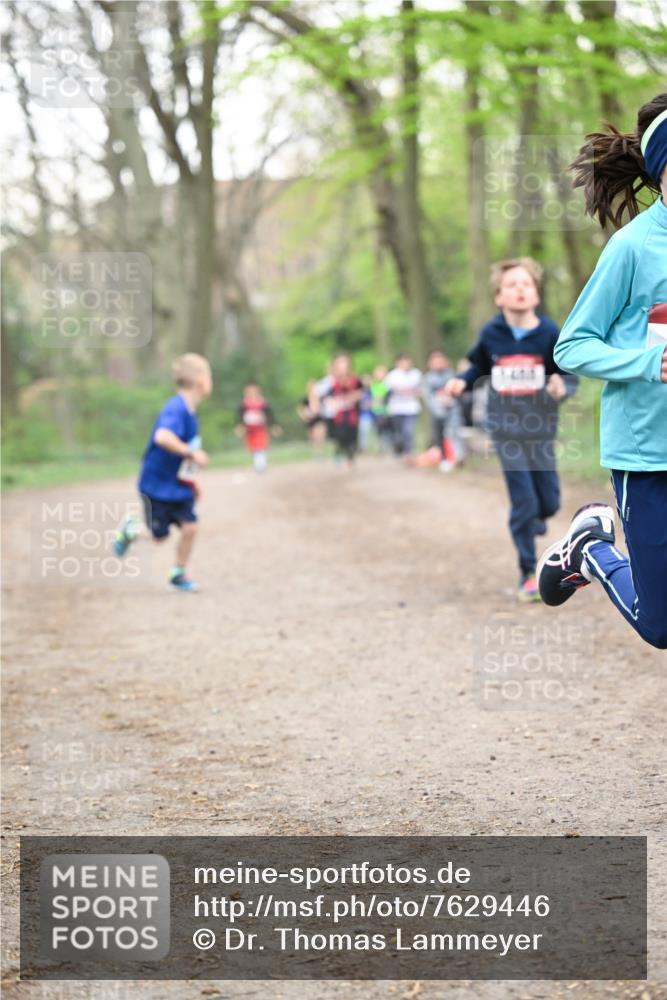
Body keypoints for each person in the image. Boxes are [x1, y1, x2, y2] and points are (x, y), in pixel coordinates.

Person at [537, 93, 667, 649]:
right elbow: (572, 346)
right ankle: (589, 549)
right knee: (662, 626)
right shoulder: (633, 248)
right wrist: (646, 361)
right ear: (660, 175)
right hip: (646, 456)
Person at [446, 258, 578, 602]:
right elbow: (477, 365)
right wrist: (462, 382)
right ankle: (528, 572)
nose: (520, 290)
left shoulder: (549, 332)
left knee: (549, 501)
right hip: (505, 429)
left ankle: (536, 517)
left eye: (526, 284)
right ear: (498, 297)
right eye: (511, 285)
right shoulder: (492, 334)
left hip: (541, 429)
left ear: (536, 294)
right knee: (523, 501)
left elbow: (567, 373)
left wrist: (562, 387)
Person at [113, 353, 212, 593]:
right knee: (159, 537)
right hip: (157, 486)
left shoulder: (191, 412)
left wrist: (191, 482)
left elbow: (180, 458)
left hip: (177, 486)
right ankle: (130, 530)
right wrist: (191, 452)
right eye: (210, 376)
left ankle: (178, 573)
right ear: (200, 380)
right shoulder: (176, 408)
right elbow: (163, 437)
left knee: (191, 527)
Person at [422, 349, 464, 471]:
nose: (439, 363)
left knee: (454, 433)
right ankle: (444, 458)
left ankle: (458, 456)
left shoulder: (452, 375)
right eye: (436, 361)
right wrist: (437, 409)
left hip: (452, 410)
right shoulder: (428, 378)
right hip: (437, 412)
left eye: (441, 361)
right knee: (439, 435)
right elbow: (428, 396)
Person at [321, 352, 363, 465]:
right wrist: (332, 402)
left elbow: (361, 391)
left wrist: (353, 397)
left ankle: (350, 456)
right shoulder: (331, 381)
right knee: (340, 435)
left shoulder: (355, 379)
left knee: (352, 436)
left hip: (352, 414)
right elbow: (324, 396)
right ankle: (339, 452)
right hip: (338, 415)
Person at [385, 352, 422, 459]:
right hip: (396, 409)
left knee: (409, 431)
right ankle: (398, 449)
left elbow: (420, 390)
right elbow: (389, 391)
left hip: (411, 408)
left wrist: (404, 390)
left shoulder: (416, 374)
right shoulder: (392, 375)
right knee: (398, 433)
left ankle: (409, 452)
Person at [236, 382, 280, 473]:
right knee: (253, 449)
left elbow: (270, 416)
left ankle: (261, 465)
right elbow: (240, 417)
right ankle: (259, 464)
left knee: (260, 447)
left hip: (260, 430)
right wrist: (239, 427)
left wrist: (274, 426)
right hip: (250, 431)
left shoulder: (262, 403)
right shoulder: (244, 405)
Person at [297, 379, 328, 456]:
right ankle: (316, 452)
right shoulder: (306, 399)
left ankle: (320, 452)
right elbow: (300, 409)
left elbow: (325, 407)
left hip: (319, 418)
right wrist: (304, 416)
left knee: (320, 435)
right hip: (311, 420)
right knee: (313, 437)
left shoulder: (321, 397)